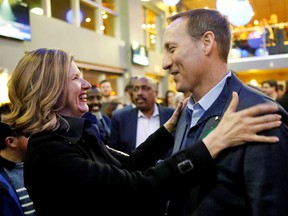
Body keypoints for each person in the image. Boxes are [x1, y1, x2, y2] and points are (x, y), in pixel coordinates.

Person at [2, 48, 281, 216]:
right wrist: (213, 143)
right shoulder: (51, 152)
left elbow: (131, 164)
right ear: (50, 90)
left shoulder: (76, 136)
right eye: (75, 78)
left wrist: (168, 130)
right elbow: (137, 187)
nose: (87, 83)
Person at [161, 9, 288, 216]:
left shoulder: (259, 116)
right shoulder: (185, 112)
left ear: (207, 43)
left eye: (172, 49)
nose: (165, 63)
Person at [109, 76, 174, 156]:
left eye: (145, 88)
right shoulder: (119, 118)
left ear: (156, 93)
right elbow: (114, 153)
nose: (139, 93)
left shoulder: (172, 116)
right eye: (135, 89)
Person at [0, 122, 36, 216]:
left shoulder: (38, 163)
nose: (34, 137)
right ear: (11, 142)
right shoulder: (2, 182)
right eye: (28, 135)